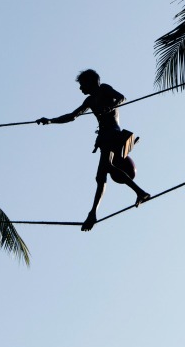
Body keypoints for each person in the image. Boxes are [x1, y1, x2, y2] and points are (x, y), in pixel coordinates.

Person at [37, 69, 150, 230]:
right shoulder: (89, 101)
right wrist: (50, 121)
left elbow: (122, 98)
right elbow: (72, 116)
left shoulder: (104, 89)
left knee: (104, 170)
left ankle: (96, 212)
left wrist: (110, 107)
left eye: (83, 84)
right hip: (104, 138)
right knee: (101, 175)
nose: (81, 88)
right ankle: (130, 196)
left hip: (113, 134)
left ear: (92, 81)